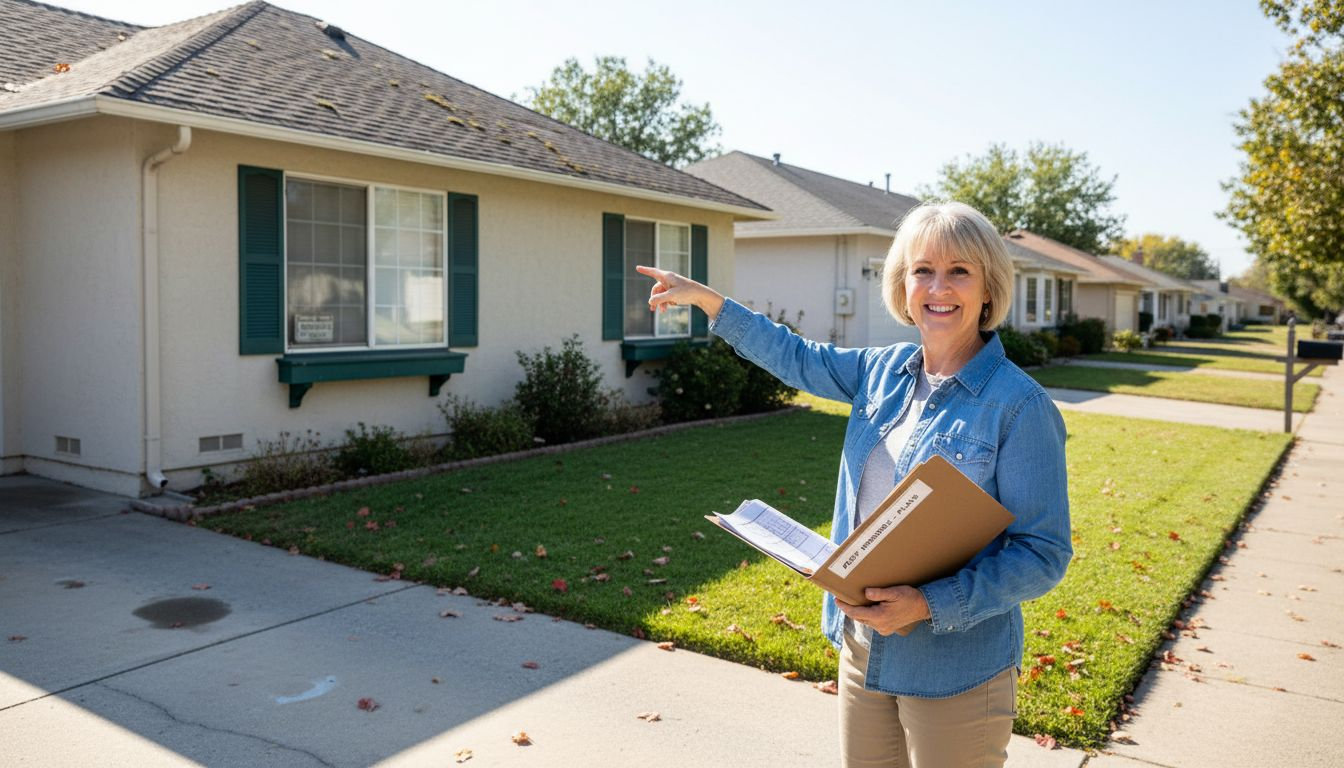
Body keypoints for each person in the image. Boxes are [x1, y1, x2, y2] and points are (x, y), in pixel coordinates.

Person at [637, 201, 1072, 768]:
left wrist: (926, 604)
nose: (938, 287)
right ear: (903, 283)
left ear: (989, 287)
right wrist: (707, 301)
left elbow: (1043, 554)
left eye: (959, 271)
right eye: (923, 270)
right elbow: (795, 357)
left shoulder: (1020, 407)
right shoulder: (881, 371)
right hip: (864, 649)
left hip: (956, 666)